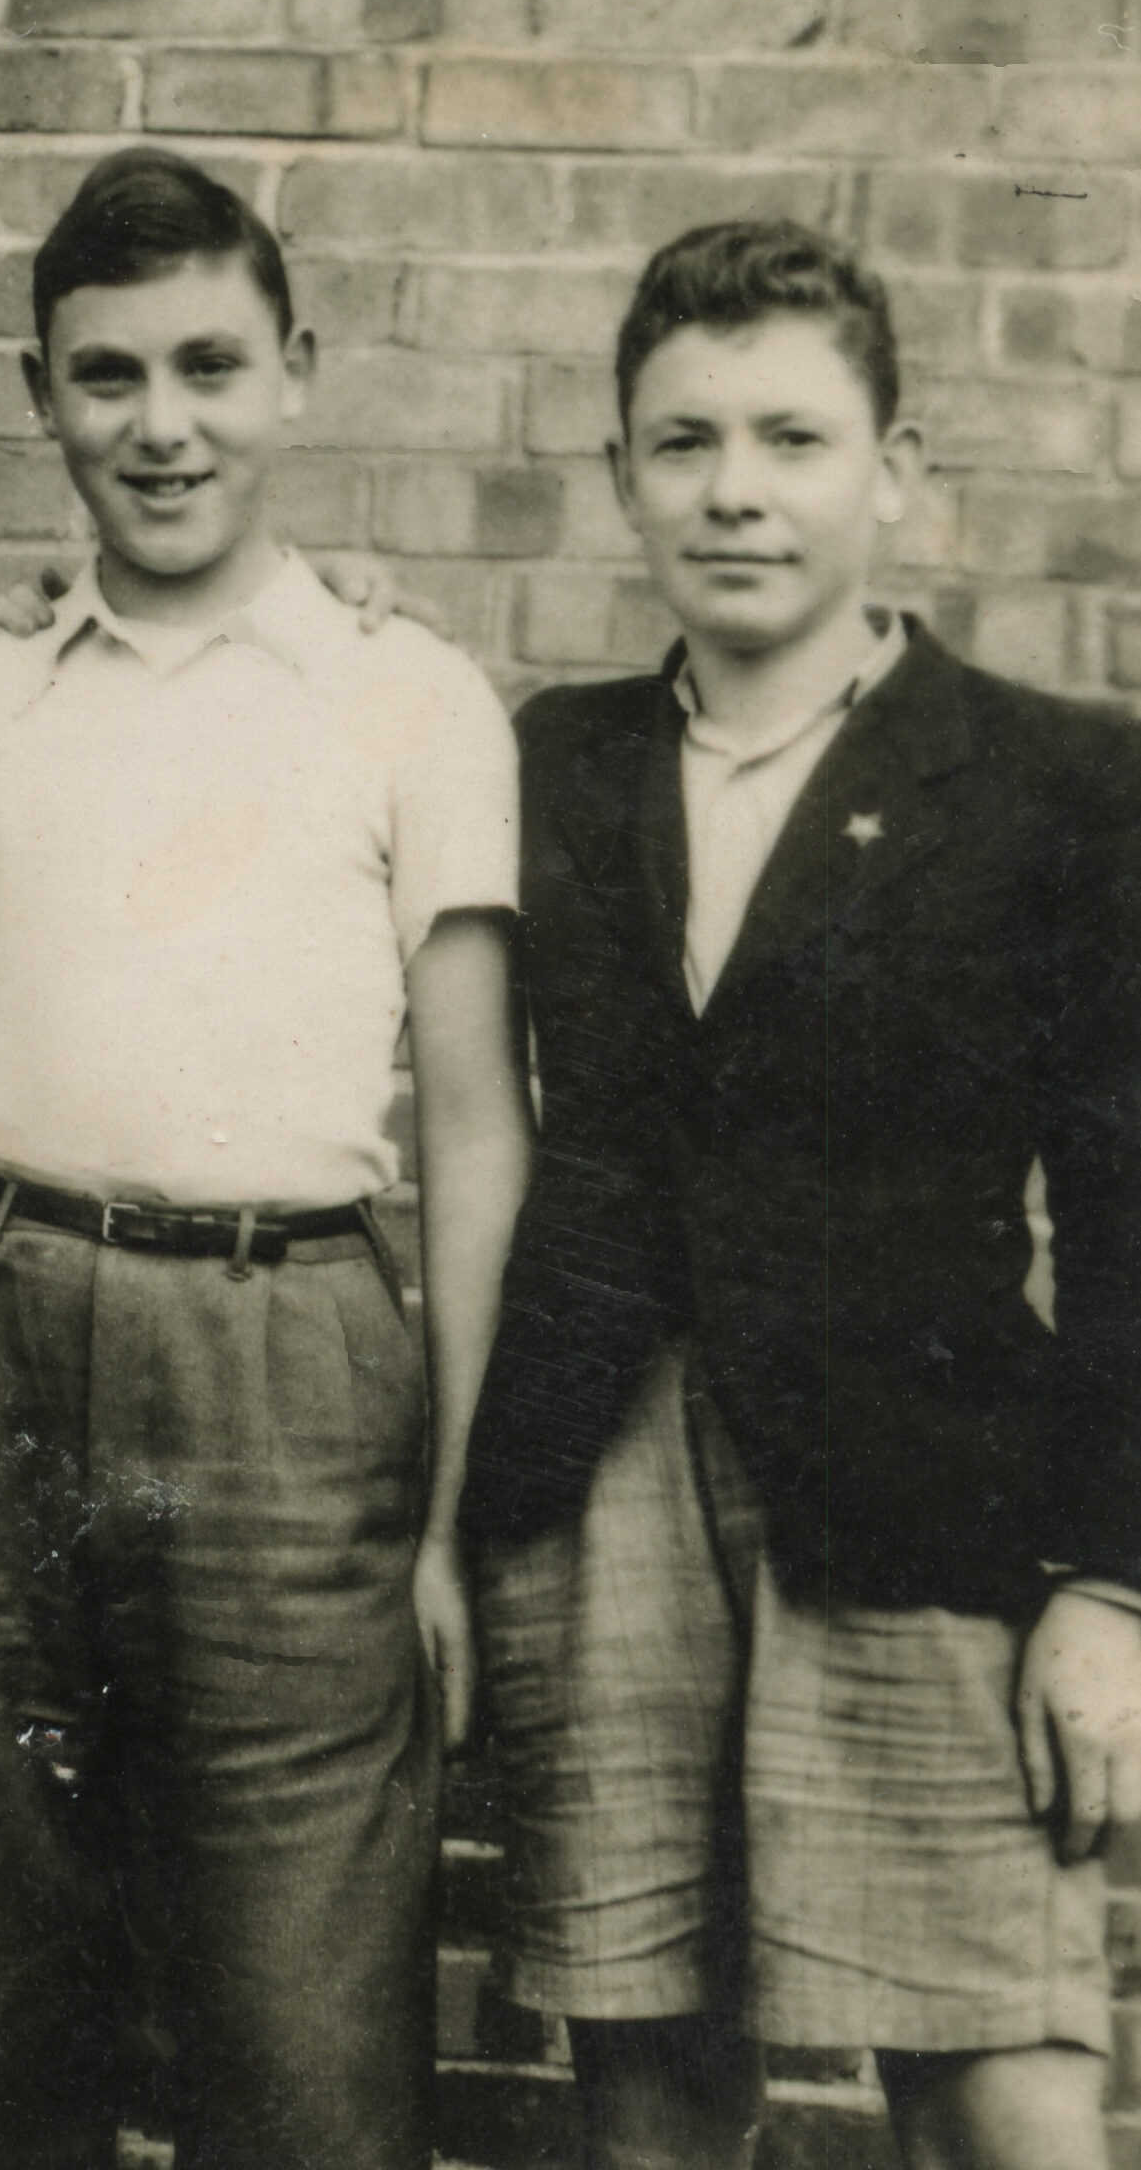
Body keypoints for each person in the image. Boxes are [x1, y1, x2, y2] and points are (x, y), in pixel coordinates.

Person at [0, 147, 534, 2170]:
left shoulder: (407, 687)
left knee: (300, 2009)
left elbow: (479, 1118)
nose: (160, 424)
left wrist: (439, 1516)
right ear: (43, 394)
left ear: (294, 373)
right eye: (105, 375)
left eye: (208, 366)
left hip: (289, 1341)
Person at [463, 220, 1141, 2170]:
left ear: (893, 469)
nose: (732, 490)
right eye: (679, 441)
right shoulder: (545, 763)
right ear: (615, 477)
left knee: (998, 2090)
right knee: (650, 2095)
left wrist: (1107, 1578)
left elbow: (1125, 1215)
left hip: (921, 1479)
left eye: (788, 436)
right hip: (597, 1484)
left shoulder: (1056, 783)